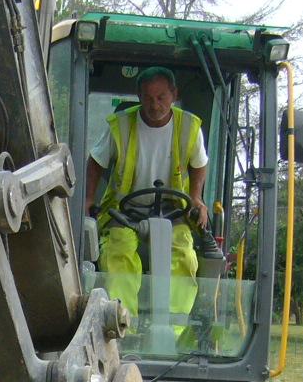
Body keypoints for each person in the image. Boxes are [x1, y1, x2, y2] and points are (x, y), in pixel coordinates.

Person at [83, 66, 210, 326]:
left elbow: (199, 163)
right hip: (125, 211)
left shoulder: (189, 126)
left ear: (174, 94)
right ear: (139, 96)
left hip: (174, 210)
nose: (155, 105)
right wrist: (87, 198)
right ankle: (123, 328)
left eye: (161, 97)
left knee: (184, 255)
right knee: (118, 253)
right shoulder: (121, 124)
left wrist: (196, 197)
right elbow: (96, 161)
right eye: (149, 98)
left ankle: (171, 329)